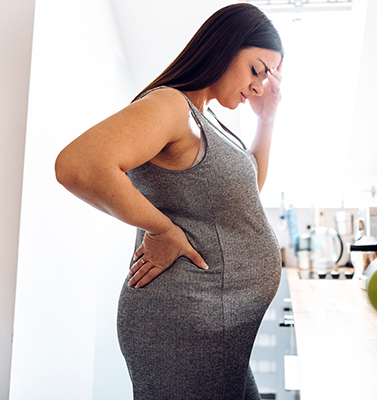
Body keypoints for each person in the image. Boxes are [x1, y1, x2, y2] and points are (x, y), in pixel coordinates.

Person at [55, 3, 284, 399]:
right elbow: (78, 165)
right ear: (225, 47)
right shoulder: (171, 106)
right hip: (184, 326)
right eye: (256, 70)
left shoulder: (206, 117)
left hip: (219, 329)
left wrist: (266, 119)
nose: (260, 86)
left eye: (268, 78)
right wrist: (161, 229)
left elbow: (246, 192)